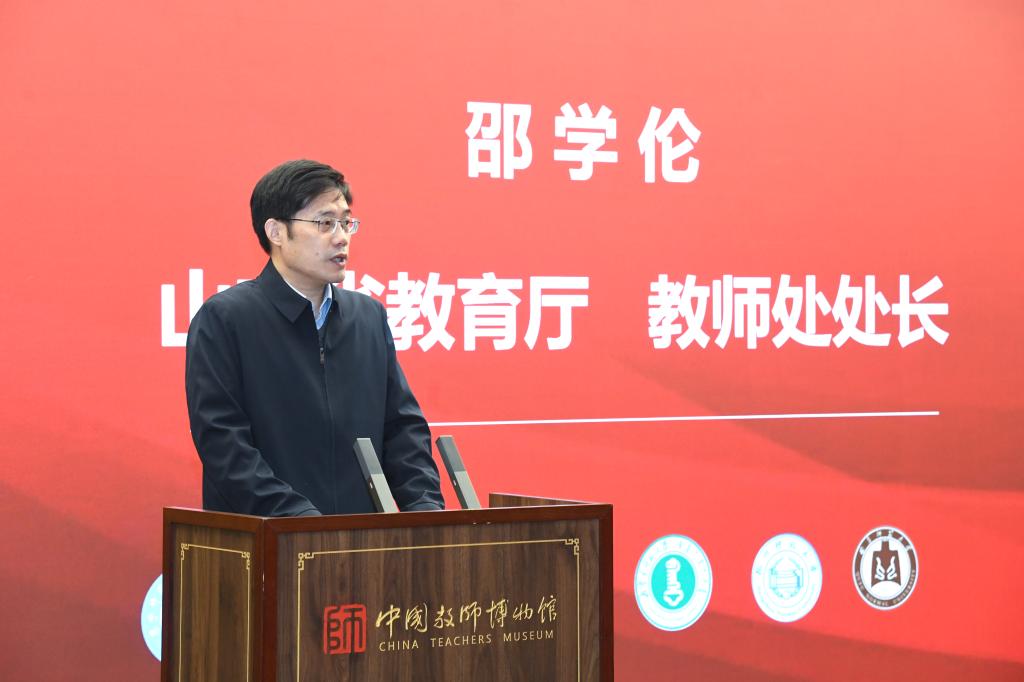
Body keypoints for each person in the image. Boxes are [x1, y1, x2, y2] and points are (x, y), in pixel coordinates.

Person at [185, 159, 444, 516]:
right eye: (325, 223)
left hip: (361, 538)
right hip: (270, 534)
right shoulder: (226, 319)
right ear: (276, 232)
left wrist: (425, 507)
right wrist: (297, 518)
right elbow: (223, 443)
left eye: (346, 222)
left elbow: (402, 428)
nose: (341, 237)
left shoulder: (367, 318)